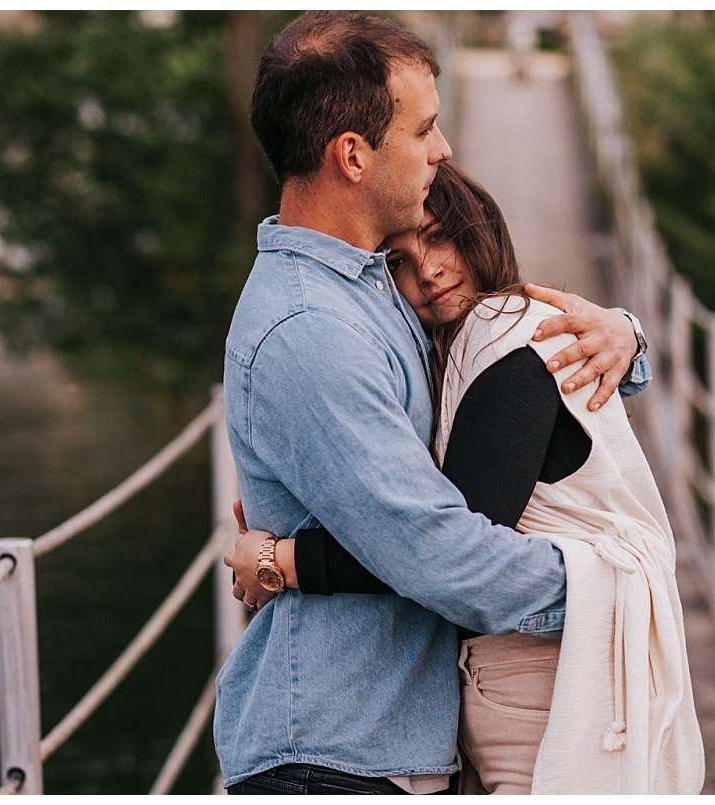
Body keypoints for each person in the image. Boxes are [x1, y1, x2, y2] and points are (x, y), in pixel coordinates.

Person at [216, 11, 650, 796]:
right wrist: (617, 590)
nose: (443, 150)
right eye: (424, 130)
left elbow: (492, 375)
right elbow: (437, 554)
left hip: (389, 747)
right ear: (353, 155)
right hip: (334, 756)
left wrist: (625, 338)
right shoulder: (310, 329)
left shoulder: (374, 282)